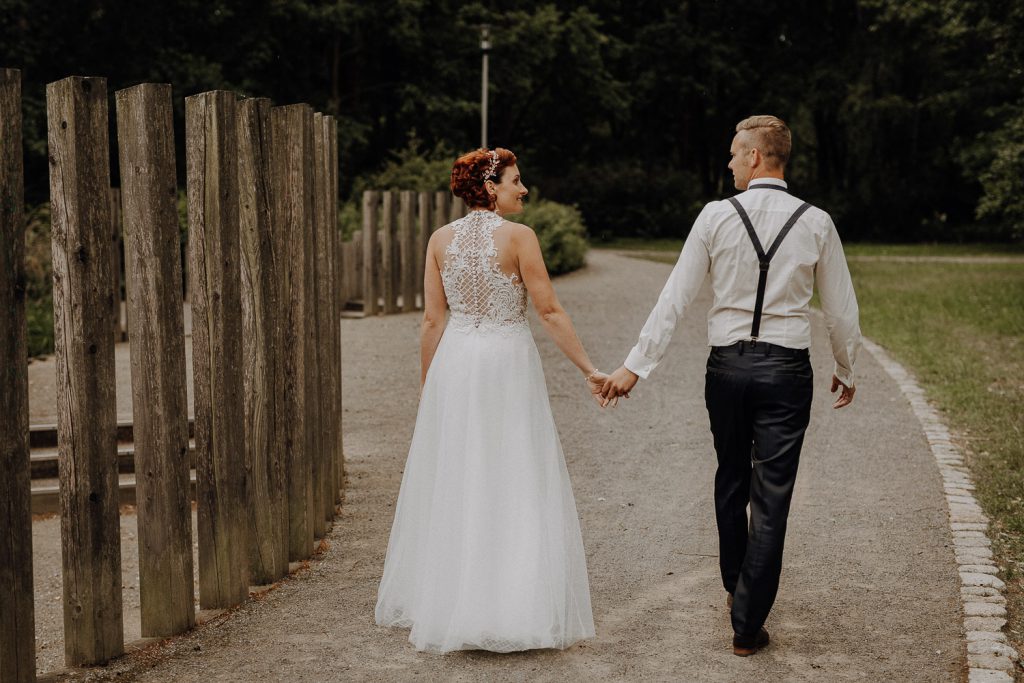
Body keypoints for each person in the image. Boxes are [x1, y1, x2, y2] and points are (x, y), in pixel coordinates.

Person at [601, 115, 861, 656]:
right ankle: (747, 624)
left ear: (756, 157)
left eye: (734, 152)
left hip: (727, 369)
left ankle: (734, 586)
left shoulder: (715, 216)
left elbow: (675, 296)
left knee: (731, 478)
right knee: (773, 496)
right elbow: (840, 309)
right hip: (786, 371)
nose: (729, 161)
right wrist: (846, 365)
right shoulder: (817, 222)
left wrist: (635, 366)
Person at [375, 147, 603, 654]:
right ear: (490, 186)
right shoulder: (520, 237)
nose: (524, 189)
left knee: (461, 474)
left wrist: (429, 388)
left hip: (456, 364)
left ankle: (453, 601)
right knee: (512, 470)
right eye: (516, 180)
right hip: (505, 363)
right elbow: (549, 311)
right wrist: (590, 370)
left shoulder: (439, 240)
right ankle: (512, 604)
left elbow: (432, 320)